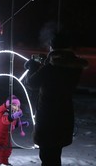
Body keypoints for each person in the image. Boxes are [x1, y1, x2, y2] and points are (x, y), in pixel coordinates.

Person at [24, 30, 88, 166]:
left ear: (53, 47)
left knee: (47, 156)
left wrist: (32, 67)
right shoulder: (74, 67)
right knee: (55, 154)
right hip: (64, 115)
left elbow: (31, 83)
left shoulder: (51, 68)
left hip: (48, 117)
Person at [0, 95, 29, 166]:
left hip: (7, 136)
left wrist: (22, 124)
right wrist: (12, 117)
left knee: (7, 149)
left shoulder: (14, 115)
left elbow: (13, 125)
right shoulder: (6, 113)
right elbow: (5, 120)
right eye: (14, 105)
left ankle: (3, 162)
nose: (16, 107)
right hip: (0, 135)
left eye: (17, 106)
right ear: (9, 105)